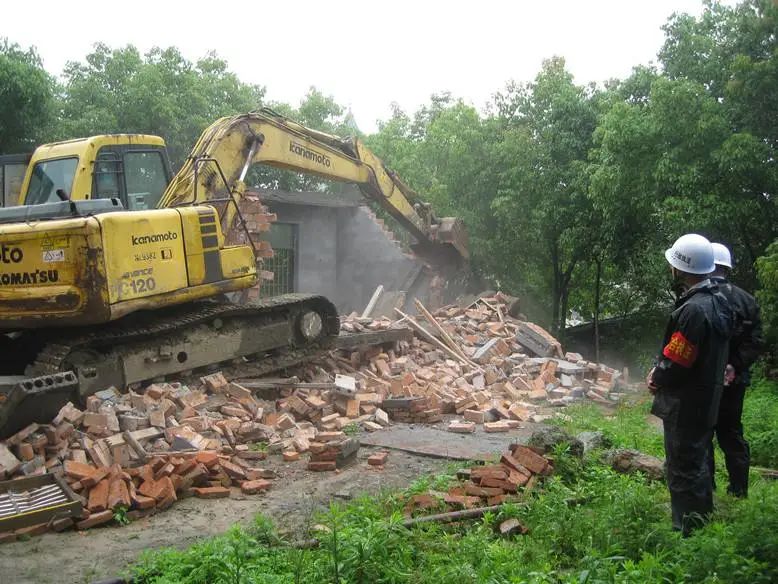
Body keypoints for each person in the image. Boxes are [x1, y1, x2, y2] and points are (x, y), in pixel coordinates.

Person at [647, 234, 733, 536]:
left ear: (681, 269)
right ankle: (702, 519)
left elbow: (678, 357)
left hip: (685, 402)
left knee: (683, 466)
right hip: (707, 399)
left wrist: (657, 376)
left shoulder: (693, 310)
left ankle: (687, 530)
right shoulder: (720, 302)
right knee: (699, 460)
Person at [708, 243, 764, 497]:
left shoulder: (702, 298)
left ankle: (705, 487)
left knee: (702, 434)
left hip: (704, 381)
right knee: (731, 432)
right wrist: (734, 366)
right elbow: (757, 342)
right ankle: (739, 490)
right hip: (736, 380)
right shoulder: (747, 300)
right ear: (727, 268)